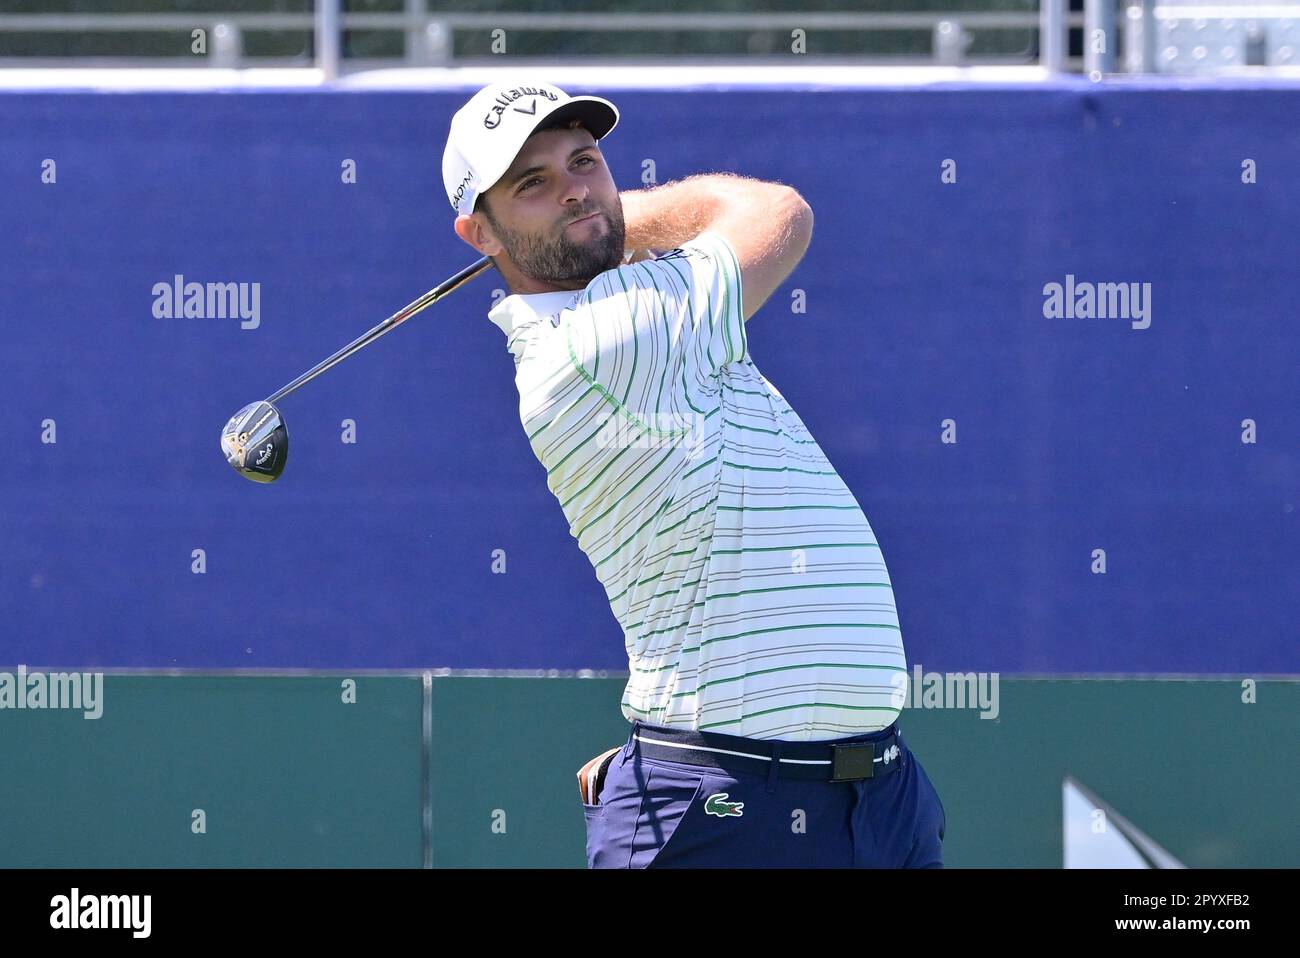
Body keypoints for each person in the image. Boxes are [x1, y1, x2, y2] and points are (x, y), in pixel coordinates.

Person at [443, 79, 945, 868]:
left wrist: (572, 217)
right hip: (731, 809)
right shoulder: (601, 341)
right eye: (532, 182)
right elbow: (777, 213)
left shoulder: (640, 316)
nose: (575, 187)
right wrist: (613, 215)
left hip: (871, 802)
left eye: (585, 162)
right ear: (479, 233)